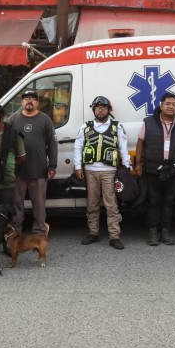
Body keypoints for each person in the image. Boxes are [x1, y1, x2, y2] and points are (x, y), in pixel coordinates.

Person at [73, 96, 131, 250]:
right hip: (90, 171)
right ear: (94, 110)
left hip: (109, 172)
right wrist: (78, 167)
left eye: (103, 108)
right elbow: (78, 147)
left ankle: (114, 236)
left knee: (111, 204)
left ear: (109, 110)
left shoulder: (117, 127)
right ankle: (93, 233)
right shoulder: (85, 127)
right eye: (97, 108)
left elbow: (123, 148)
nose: (100, 110)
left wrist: (126, 168)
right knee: (92, 203)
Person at [134, 92, 175, 246]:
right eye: (168, 104)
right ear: (161, 106)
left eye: (174, 104)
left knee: (168, 202)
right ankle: (153, 231)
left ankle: (165, 231)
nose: (171, 107)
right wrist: (138, 163)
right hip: (153, 169)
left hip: (174, 170)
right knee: (153, 201)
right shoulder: (148, 122)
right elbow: (140, 142)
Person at [8, 89, 58, 235]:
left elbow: (52, 143)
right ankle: (15, 232)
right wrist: (8, 166)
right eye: (26, 98)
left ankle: (39, 233)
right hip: (17, 171)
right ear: (21, 102)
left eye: (33, 98)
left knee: (39, 205)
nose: (29, 101)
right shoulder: (13, 119)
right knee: (16, 204)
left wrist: (52, 166)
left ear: (37, 102)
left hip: (39, 170)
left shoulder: (45, 119)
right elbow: (6, 143)